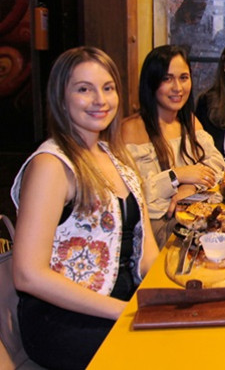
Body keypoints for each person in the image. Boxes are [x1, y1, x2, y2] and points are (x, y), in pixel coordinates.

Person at [10, 46, 159, 369]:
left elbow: (147, 254)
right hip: (62, 319)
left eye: (107, 88)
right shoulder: (51, 164)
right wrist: (123, 311)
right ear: (61, 98)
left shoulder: (115, 157)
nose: (100, 100)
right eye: (83, 89)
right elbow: (27, 275)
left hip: (118, 305)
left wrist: (174, 295)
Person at [122, 45, 225, 245]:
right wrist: (176, 176)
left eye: (183, 78)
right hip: (154, 231)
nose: (178, 88)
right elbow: (133, 196)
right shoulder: (130, 129)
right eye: (167, 79)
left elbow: (217, 165)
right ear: (151, 82)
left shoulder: (189, 122)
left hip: (192, 221)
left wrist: (189, 186)